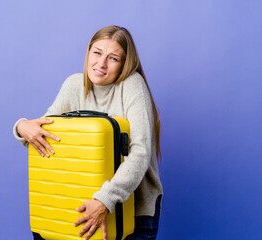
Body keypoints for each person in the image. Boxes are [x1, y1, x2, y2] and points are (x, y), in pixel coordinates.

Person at [13, 25, 163, 240]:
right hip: (83, 203)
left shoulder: (131, 86)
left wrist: (105, 200)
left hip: (134, 209)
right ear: (88, 52)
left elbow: (139, 153)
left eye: (113, 58)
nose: (101, 63)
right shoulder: (74, 84)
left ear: (124, 63)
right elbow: (45, 135)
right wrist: (21, 126)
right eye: (97, 53)